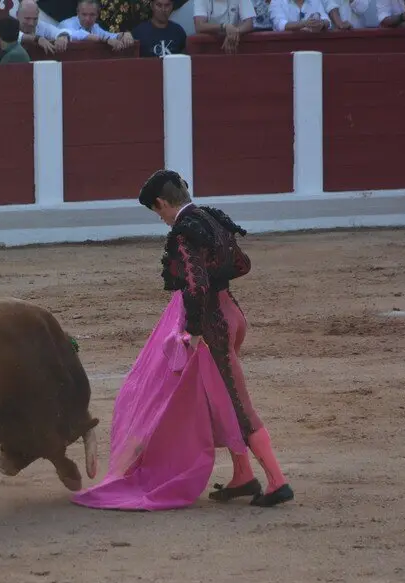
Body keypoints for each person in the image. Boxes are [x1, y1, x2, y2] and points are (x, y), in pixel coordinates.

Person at [72, 169, 293, 511]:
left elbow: (195, 285)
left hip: (211, 325)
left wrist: (191, 330)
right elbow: (241, 264)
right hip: (232, 314)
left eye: (157, 211)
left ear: (162, 203)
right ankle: (242, 475)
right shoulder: (212, 217)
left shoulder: (185, 230)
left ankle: (278, 481)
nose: (160, 218)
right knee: (214, 398)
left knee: (236, 403)